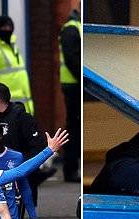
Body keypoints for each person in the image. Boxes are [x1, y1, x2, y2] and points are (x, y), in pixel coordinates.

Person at [0, 83, 46, 207]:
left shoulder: (22, 118)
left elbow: (38, 146)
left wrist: (23, 165)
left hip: (17, 176)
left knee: (16, 217)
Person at [0, 15, 34, 115]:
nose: (7, 30)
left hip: (21, 109)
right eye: (3, 28)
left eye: (9, 27)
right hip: (5, 110)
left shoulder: (12, 48)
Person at [59, 3, 81, 182]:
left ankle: (73, 167)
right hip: (74, 85)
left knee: (75, 127)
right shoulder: (71, 28)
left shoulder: (75, 27)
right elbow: (73, 59)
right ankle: (70, 168)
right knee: (74, 128)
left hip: (74, 83)